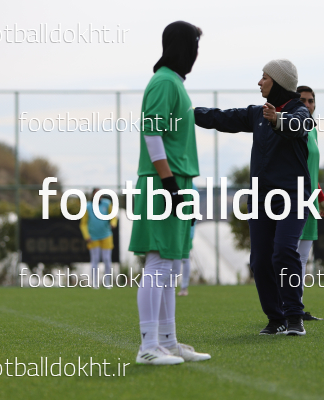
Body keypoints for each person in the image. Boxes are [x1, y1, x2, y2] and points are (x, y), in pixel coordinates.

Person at [194, 59, 314, 336]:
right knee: (260, 261)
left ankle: (294, 316)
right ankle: (276, 318)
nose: (259, 82)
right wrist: (187, 113)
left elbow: (299, 125)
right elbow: (220, 117)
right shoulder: (257, 113)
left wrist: (278, 120)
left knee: (283, 252)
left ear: (279, 82)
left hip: (292, 197)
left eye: (265, 77)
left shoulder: (299, 111)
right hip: (260, 200)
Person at [129, 21, 210, 365]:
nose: (196, 53)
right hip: (163, 183)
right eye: (194, 45)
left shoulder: (174, 82)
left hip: (174, 181)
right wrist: (170, 185)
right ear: (182, 47)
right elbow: (152, 132)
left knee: (170, 264)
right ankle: (148, 347)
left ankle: (168, 342)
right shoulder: (164, 82)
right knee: (159, 262)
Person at [296, 86, 324, 321]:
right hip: (292, 201)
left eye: (311, 101)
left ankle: (296, 307)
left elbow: (311, 171)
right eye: (303, 101)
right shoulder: (292, 130)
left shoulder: (313, 130)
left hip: (311, 202)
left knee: (302, 259)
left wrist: (321, 198)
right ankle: (283, 308)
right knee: (288, 257)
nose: (308, 105)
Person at [80, 188, 117, 289]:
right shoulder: (88, 206)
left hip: (106, 235)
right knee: (95, 260)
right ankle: (95, 283)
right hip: (93, 237)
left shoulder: (107, 204)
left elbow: (113, 217)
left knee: (107, 259)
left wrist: (113, 224)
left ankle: (107, 283)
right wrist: (86, 236)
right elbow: (83, 224)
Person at [178, 183, 198, 296]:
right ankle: (169, 286)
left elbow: (194, 211)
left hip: (187, 230)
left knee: (185, 258)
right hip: (174, 229)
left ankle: (184, 287)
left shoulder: (192, 187)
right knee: (172, 259)